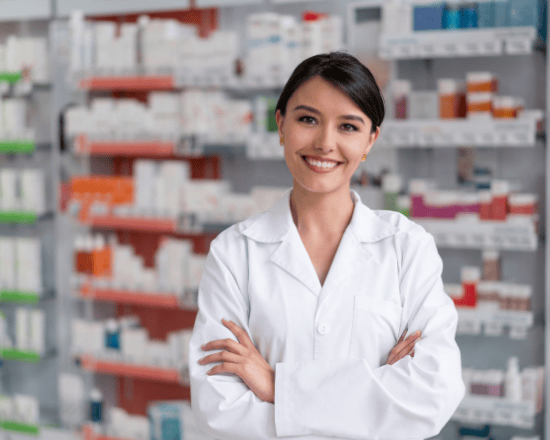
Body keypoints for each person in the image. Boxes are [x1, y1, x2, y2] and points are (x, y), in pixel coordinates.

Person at [188, 52, 465, 440]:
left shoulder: (407, 248)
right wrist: (377, 388)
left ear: (371, 140)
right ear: (281, 124)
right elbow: (217, 411)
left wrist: (276, 387)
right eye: (307, 119)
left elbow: (432, 394)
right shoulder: (235, 253)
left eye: (348, 126)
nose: (324, 143)